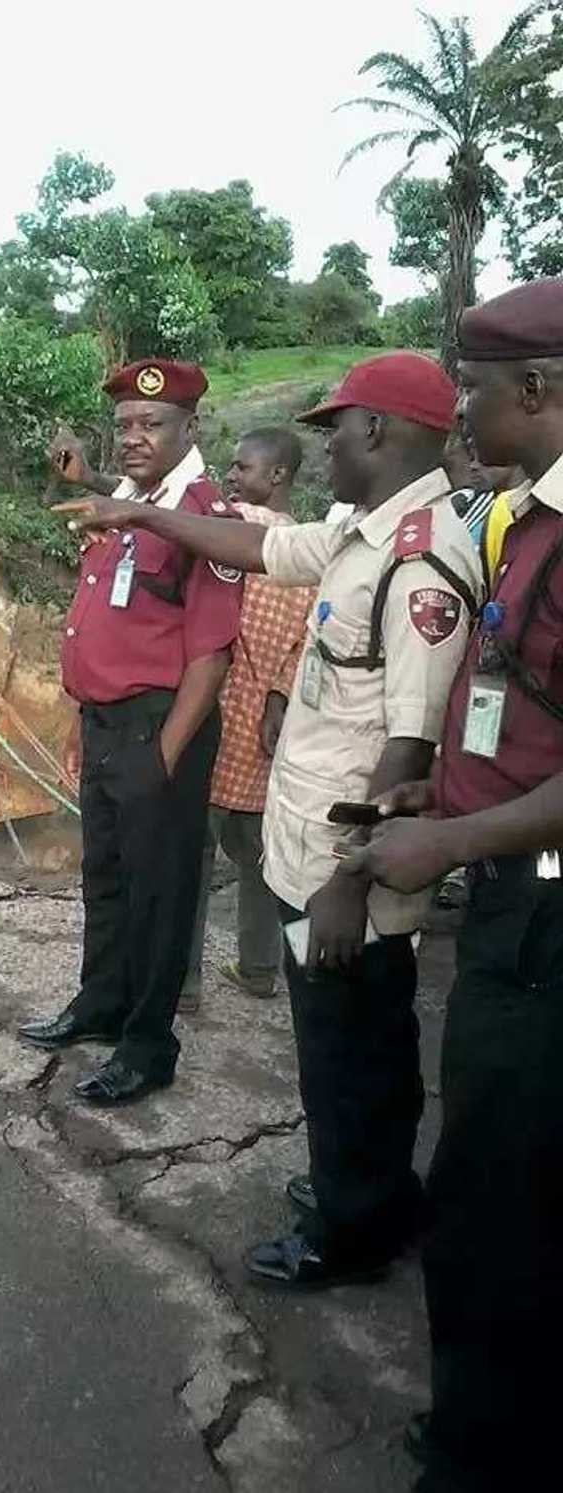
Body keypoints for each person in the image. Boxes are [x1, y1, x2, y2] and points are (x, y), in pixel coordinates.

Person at [56, 352, 481, 1279]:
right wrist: (132, 508)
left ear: (380, 432)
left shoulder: (419, 567)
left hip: (346, 868)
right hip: (308, 845)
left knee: (348, 1049)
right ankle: (370, 1189)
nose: (327, 447)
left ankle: (350, 1228)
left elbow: (410, 750)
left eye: (338, 429)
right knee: (356, 1042)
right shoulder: (360, 531)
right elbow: (258, 549)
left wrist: (346, 881)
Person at [351, 280, 563, 1493]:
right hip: (505, 880)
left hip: (542, 902)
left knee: (492, 1194)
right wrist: (437, 796)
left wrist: (451, 846)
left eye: (473, 389)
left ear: (534, 389)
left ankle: (485, 1449)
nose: (460, 409)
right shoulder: (524, 517)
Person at [18, 358, 244, 1105]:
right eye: (124, 426)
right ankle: (100, 1003)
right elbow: (117, 507)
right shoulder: (132, 500)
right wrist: (88, 718)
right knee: (106, 878)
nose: (135, 437)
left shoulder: (206, 518)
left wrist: (164, 755)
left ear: (191, 428)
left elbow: (210, 658)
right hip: (107, 723)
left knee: (161, 891)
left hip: (160, 729)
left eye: (153, 424)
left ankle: (148, 1044)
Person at [184, 428, 316, 1003]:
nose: (231, 478)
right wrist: (280, 698)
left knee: (191, 855)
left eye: (241, 467)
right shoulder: (310, 550)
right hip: (266, 728)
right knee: (260, 860)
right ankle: (258, 969)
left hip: (214, 712)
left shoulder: (229, 527)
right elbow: (307, 643)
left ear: (278, 475)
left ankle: (182, 981)